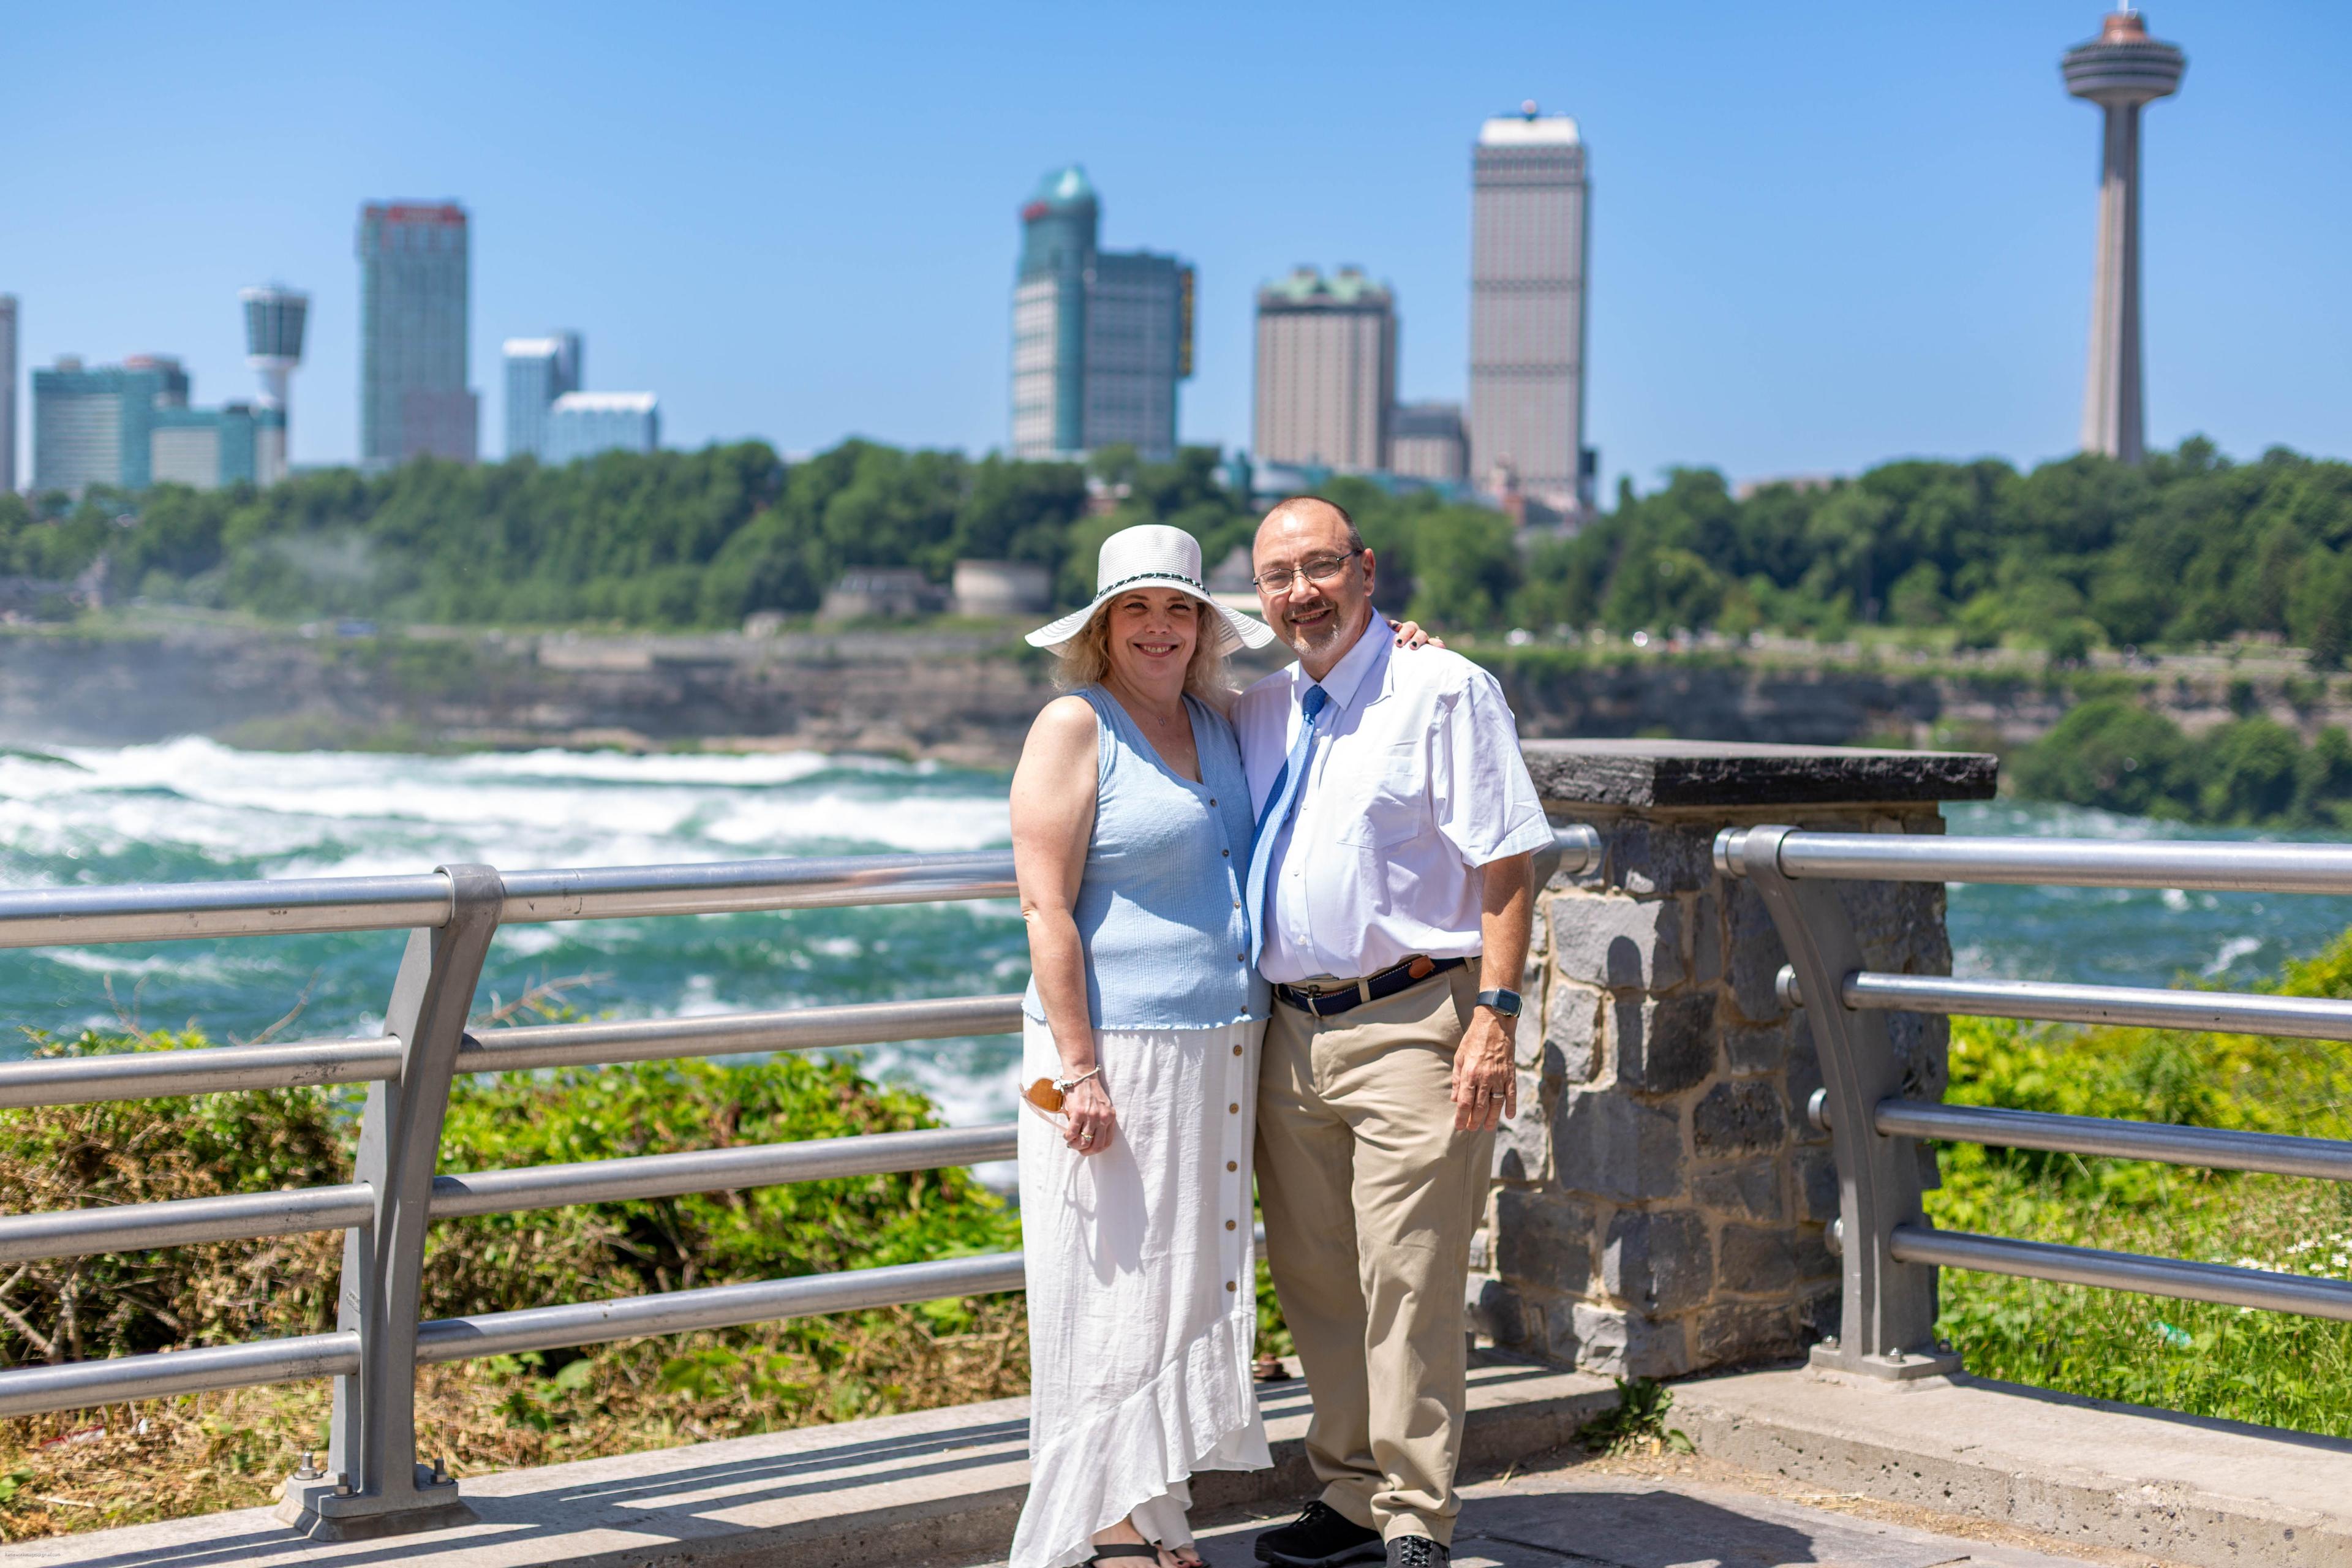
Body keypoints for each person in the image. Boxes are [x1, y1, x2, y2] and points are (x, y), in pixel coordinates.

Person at [1007, 522, 1434, 1568]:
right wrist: (1079, 1069)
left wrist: (1399, 646)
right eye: (1136, 610)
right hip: (1113, 1051)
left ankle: (1156, 1509)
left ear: (1202, 626)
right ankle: (1106, 1527)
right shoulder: (1075, 723)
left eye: (1178, 609)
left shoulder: (1227, 717)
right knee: (1107, 1280)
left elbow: (1337, 693)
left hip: (1225, 1048)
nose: (1158, 627)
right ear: (1103, 627)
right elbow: (1043, 907)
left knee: (1182, 1284)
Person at [1237, 497, 1548, 1568]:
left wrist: (1495, 1022)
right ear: (1260, 595)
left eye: (1321, 567)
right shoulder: (1261, 709)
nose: (1301, 593)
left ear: (1366, 571)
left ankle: (1418, 1516)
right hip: (1289, 1036)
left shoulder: (1444, 688)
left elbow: (1506, 866)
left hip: (1416, 1021)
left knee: (1410, 1279)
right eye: (1279, 577)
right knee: (1318, 1281)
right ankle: (1350, 1495)